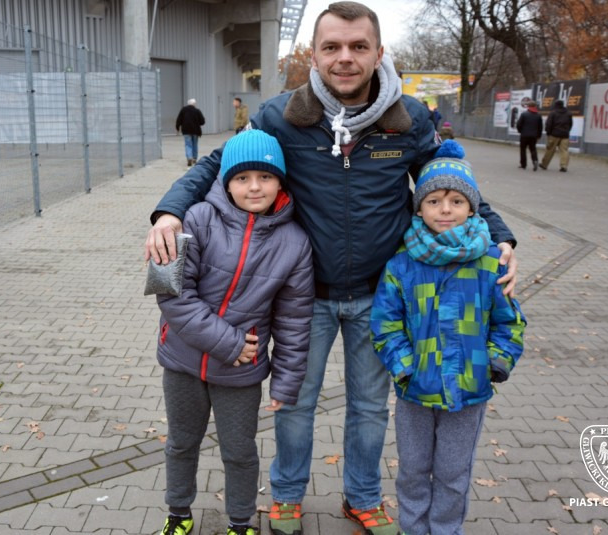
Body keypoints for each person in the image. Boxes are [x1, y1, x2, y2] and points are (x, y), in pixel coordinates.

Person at [145, 3, 519, 534]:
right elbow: (216, 164)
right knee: (295, 403)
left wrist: (500, 236)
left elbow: (449, 180)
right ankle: (287, 495)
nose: (345, 57)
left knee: (369, 408)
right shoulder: (281, 116)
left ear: (378, 53)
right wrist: (169, 211)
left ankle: (361, 497)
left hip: (380, 293)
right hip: (306, 296)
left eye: (358, 46)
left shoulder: (408, 119)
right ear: (314, 56)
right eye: (332, 47)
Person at [155, 129, 314, 535]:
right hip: (183, 360)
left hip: (241, 373)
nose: (254, 186)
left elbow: (294, 321)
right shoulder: (196, 218)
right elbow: (170, 293)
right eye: (242, 177)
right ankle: (178, 514)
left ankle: (241, 523)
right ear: (226, 182)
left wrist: (287, 381)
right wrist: (229, 342)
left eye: (265, 176)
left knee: (240, 452)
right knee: (181, 443)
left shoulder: (295, 242)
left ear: (280, 181)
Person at [370, 140, 526, 535]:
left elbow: (509, 323)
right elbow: (385, 324)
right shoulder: (402, 264)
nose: (445, 209)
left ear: (472, 208)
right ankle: (413, 528)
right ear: (419, 208)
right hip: (415, 391)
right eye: (434, 201)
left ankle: (445, 530)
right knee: (412, 470)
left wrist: (494, 363)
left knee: (454, 473)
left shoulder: (490, 263)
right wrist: (405, 368)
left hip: (468, 392)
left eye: (456, 201)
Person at [539, 99, 572, 172]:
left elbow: (549, 124)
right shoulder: (568, 113)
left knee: (550, 149)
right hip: (565, 135)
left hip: (554, 134)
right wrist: (567, 131)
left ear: (555, 105)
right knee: (564, 150)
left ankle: (544, 164)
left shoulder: (553, 113)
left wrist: (548, 132)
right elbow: (570, 124)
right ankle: (564, 166)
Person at [175, 98, 205, 167]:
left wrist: (177, 127)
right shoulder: (197, 111)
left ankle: (189, 157)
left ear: (188, 104)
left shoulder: (183, 110)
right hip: (195, 131)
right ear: (194, 104)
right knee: (195, 144)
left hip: (186, 131)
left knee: (188, 144)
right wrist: (197, 122)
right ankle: (194, 158)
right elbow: (202, 122)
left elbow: (179, 119)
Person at [516, 99, 542, 172]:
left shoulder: (524, 114)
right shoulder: (538, 115)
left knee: (523, 149)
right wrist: (538, 135)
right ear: (535, 106)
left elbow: (519, 124)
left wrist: (520, 131)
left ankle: (523, 164)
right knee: (533, 149)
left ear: (528, 106)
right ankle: (535, 161)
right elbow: (540, 127)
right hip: (533, 136)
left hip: (524, 135)